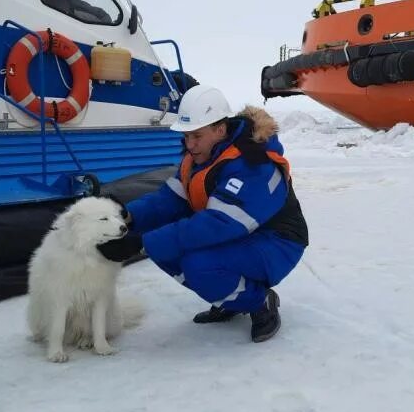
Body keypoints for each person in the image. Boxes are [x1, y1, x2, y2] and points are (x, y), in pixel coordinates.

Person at [97, 85, 308, 342]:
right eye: (186, 136)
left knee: (198, 264)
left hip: (277, 242)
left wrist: (142, 243)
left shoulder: (252, 164)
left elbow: (218, 224)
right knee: (165, 248)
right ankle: (229, 297)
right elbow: (168, 200)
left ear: (220, 130)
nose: (190, 144)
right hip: (243, 235)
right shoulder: (199, 158)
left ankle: (259, 301)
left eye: (196, 136)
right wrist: (126, 216)